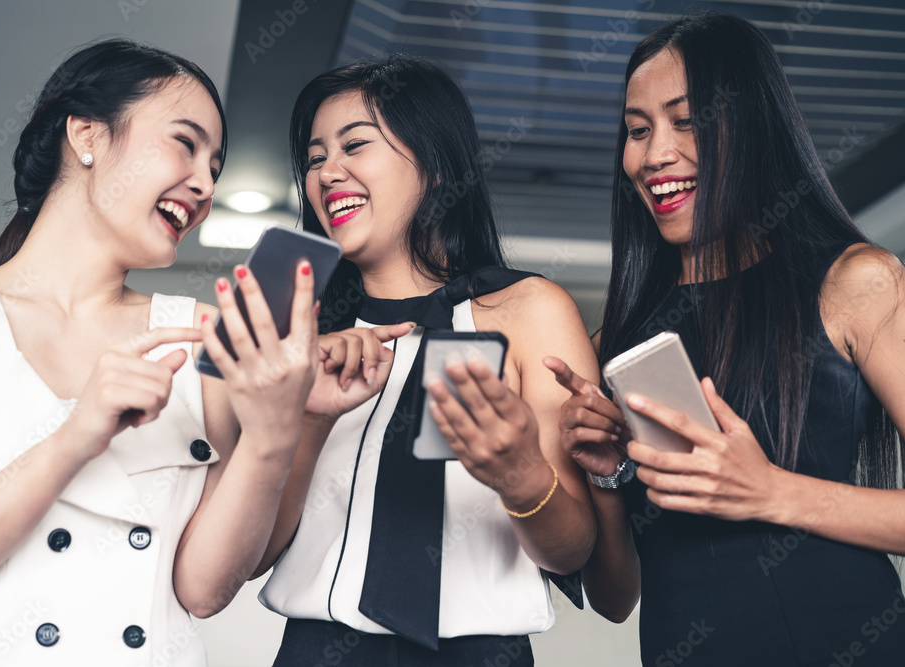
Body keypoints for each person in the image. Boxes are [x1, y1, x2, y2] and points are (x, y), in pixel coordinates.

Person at [0, 39, 388, 665]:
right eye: (185, 145)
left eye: (215, 167)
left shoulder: (208, 337)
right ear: (86, 136)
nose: (203, 184)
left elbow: (204, 589)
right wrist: (75, 438)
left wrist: (279, 431)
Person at [544, 11, 905, 666]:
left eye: (686, 121)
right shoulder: (616, 343)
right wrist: (607, 474)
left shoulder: (856, 281)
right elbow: (616, 597)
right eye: (637, 130)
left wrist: (772, 490)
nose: (655, 155)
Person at [253, 54, 599, 666]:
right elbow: (251, 556)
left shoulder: (529, 311)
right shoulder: (295, 325)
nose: (328, 172)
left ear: (436, 166)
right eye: (313, 158)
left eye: (354, 145)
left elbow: (573, 553)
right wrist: (309, 419)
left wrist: (519, 472)